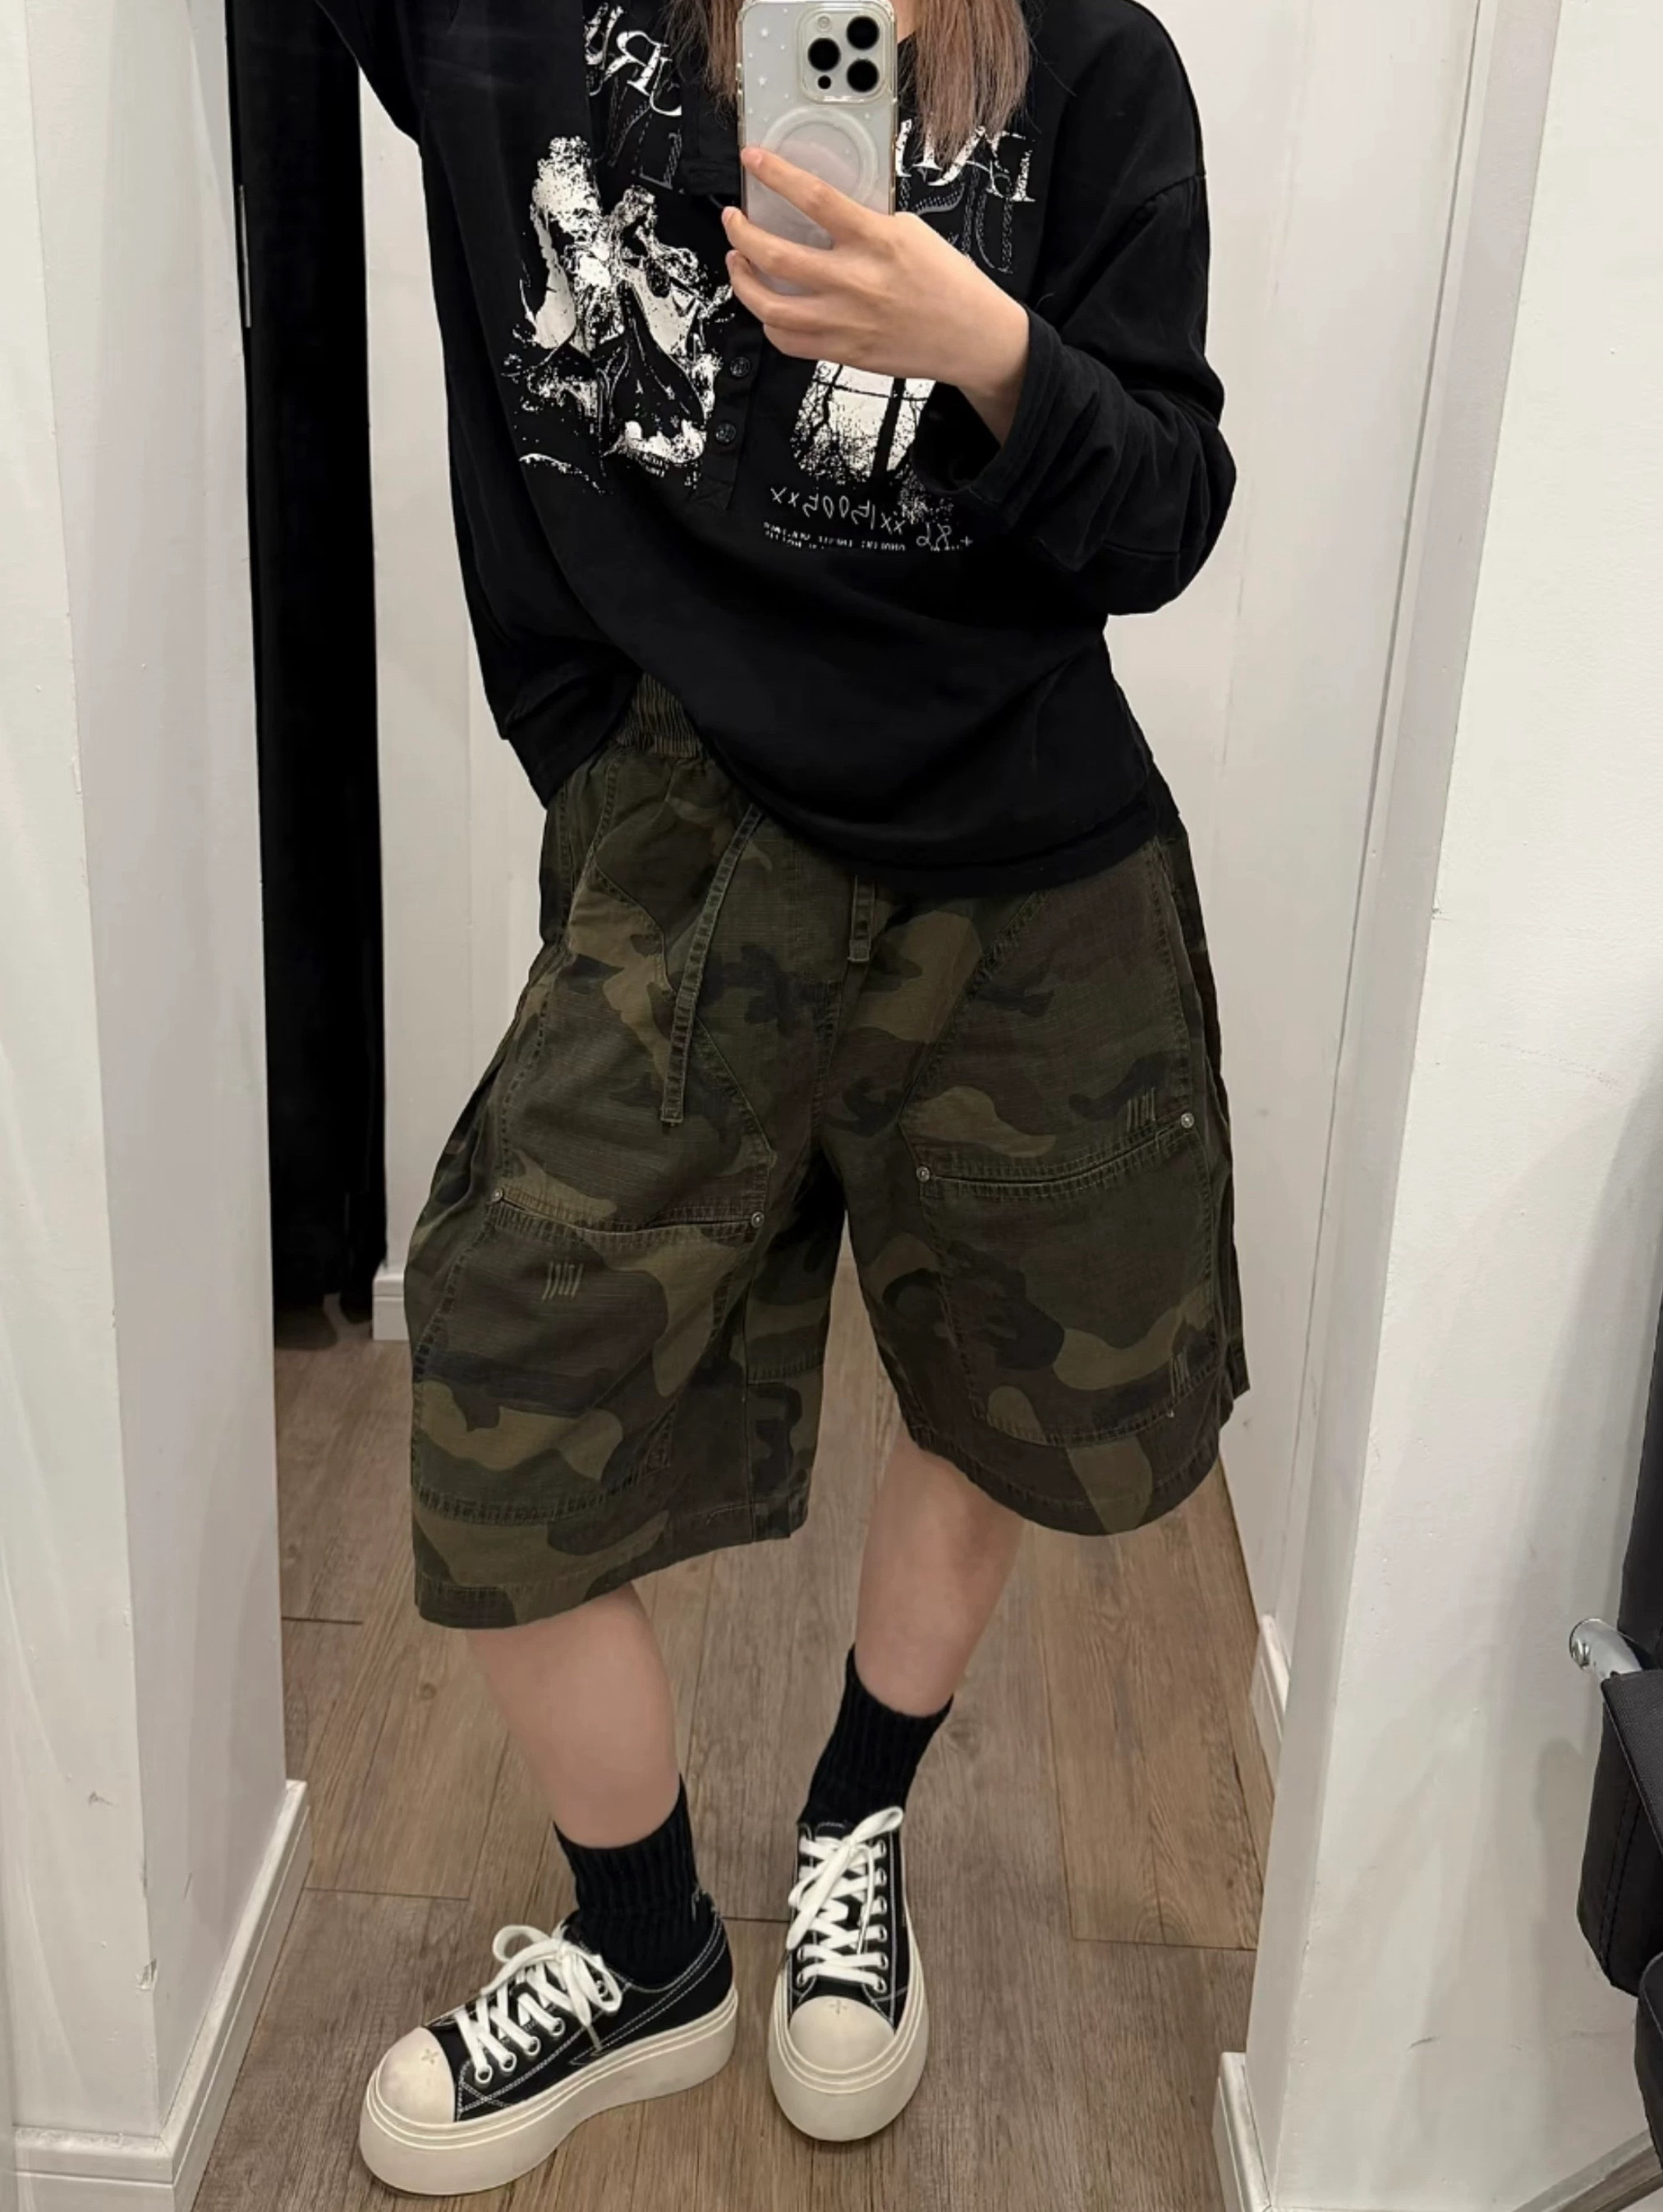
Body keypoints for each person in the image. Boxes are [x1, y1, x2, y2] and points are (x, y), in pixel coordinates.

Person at [316, 0, 1247, 2189]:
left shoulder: (1088, 63)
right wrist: (596, 748)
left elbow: (1165, 509)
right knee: (508, 1368)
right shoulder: (496, 24)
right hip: (690, 827)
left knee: (1002, 1375)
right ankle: (643, 1948)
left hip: (1025, 852)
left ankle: (854, 1822)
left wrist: (985, 351)